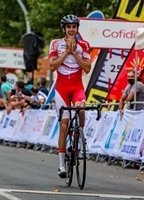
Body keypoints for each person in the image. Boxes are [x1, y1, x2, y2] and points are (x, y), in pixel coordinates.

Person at [49, 14, 91, 178]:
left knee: (81, 110)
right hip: (61, 87)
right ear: (64, 29)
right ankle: (61, 165)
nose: (71, 30)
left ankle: (81, 134)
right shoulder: (56, 44)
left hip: (77, 85)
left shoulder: (84, 45)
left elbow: (87, 68)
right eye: (69, 27)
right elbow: (52, 66)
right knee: (64, 125)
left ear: (77, 29)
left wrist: (75, 53)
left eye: (74, 27)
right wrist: (67, 52)